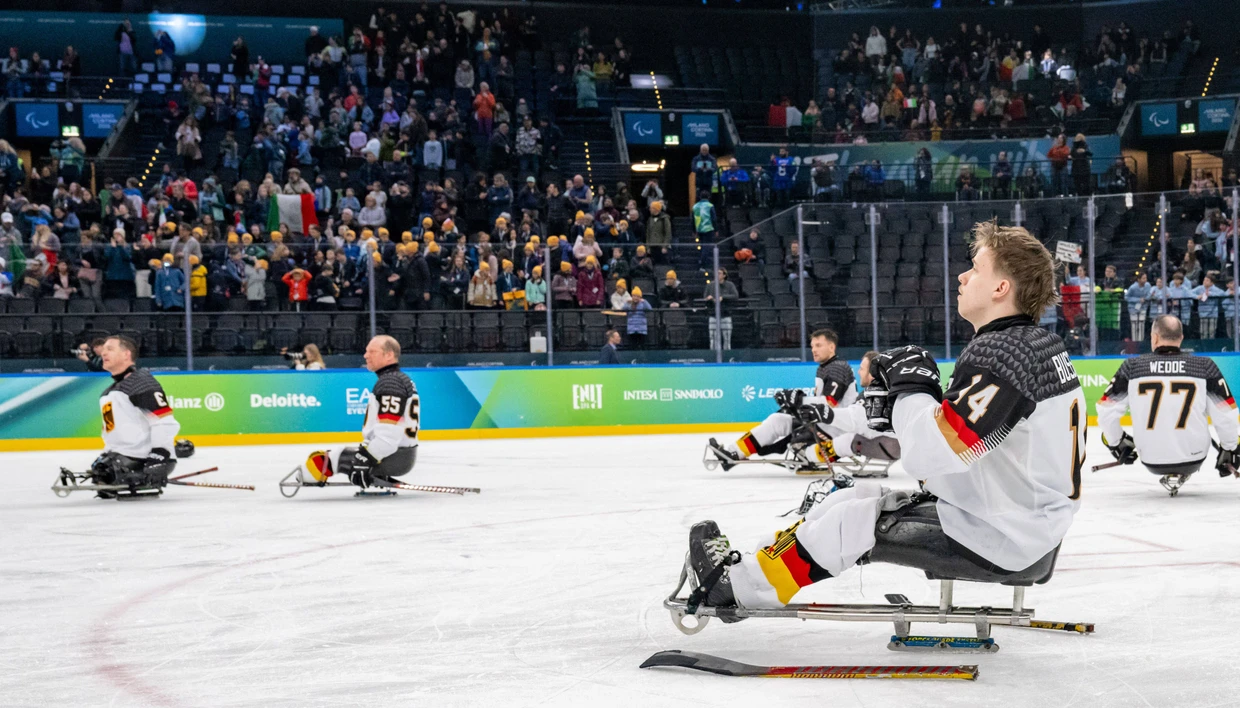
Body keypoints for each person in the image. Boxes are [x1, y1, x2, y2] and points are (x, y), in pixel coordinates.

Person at [684, 220, 1085, 618]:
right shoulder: (1035, 346)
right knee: (849, 497)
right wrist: (904, 408)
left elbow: (929, 456)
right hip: (1023, 524)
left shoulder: (1003, 354)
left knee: (850, 518)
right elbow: (979, 449)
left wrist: (911, 391)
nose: (962, 276)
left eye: (976, 268)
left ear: (1001, 288)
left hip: (1006, 536)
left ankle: (735, 587)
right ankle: (750, 568)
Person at [1097, 315, 1240, 494]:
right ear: (1181, 338)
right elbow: (1226, 414)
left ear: (1154, 337)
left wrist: (1117, 443)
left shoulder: (1132, 367)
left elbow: (1105, 411)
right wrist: (1230, 448)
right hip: (1194, 457)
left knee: (1110, 436)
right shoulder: (1205, 367)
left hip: (1150, 458)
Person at [707, 329, 854, 469]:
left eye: (818, 345)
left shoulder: (838, 368)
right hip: (825, 424)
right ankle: (733, 454)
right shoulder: (825, 367)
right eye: (812, 346)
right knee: (776, 420)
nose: (814, 350)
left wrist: (799, 400)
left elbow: (829, 403)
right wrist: (794, 404)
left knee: (797, 442)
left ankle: (807, 454)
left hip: (837, 429)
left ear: (831, 347)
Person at [296, 336, 419, 489]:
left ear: (389, 355)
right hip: (400, 455)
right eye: (366, 351)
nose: (365, 355)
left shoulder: (390, 382)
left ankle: (308, 475)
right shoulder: (397, 379)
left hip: (392, 457)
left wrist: (365, 459)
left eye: (372, 351)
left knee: (322, 461)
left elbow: (388, 438)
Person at [89, 336, 181, 499]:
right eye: (103, 350)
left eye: (110, 349)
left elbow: (164, 421)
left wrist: (159, 455)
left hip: (143, 460)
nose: (103, 353)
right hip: (120, 458)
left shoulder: (140, 382)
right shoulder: (109, 392)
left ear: (126, 354)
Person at [704, 268, 738, 350]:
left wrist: (723, 297)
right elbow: (705, 297)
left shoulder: (730, 285)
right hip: (713, 315)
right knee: (713, 339)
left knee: (727, 339)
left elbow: (735, 296)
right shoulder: (710, 285)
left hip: (725, 315)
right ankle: (713, 356)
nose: (717, 275)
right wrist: (709, 298)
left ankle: (727, 357)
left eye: (719, 273)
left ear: (724, 275)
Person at [1192, 274, 1225, 339]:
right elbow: (1189, 293)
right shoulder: (1199, 288)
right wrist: (1197, 296)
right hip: (1202, 313)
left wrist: (1210, 294)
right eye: (1204, 280)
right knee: (1203, 331)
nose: (1204, 281)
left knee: (1212, 331)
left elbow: (1223, 293)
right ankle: (1203, 346)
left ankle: (1211, 345)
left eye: (1207, 280)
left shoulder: (1215, 289)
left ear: (1212, 283)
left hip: (1213, 313)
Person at [1126, 273, 1152, 342]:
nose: (1145, 280)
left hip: (1143, 307)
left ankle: (1141, 340)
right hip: (1133, 308)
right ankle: (1135, 341)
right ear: (1138, 279)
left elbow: (1149, 294)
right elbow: (1126, 297)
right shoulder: (1132, 287)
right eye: (1143, 278)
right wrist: (1138, 300)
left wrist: (1146, 298)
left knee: (1141, 323)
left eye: (1146, 278)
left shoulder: (1148, 285)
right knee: (1134, 324)